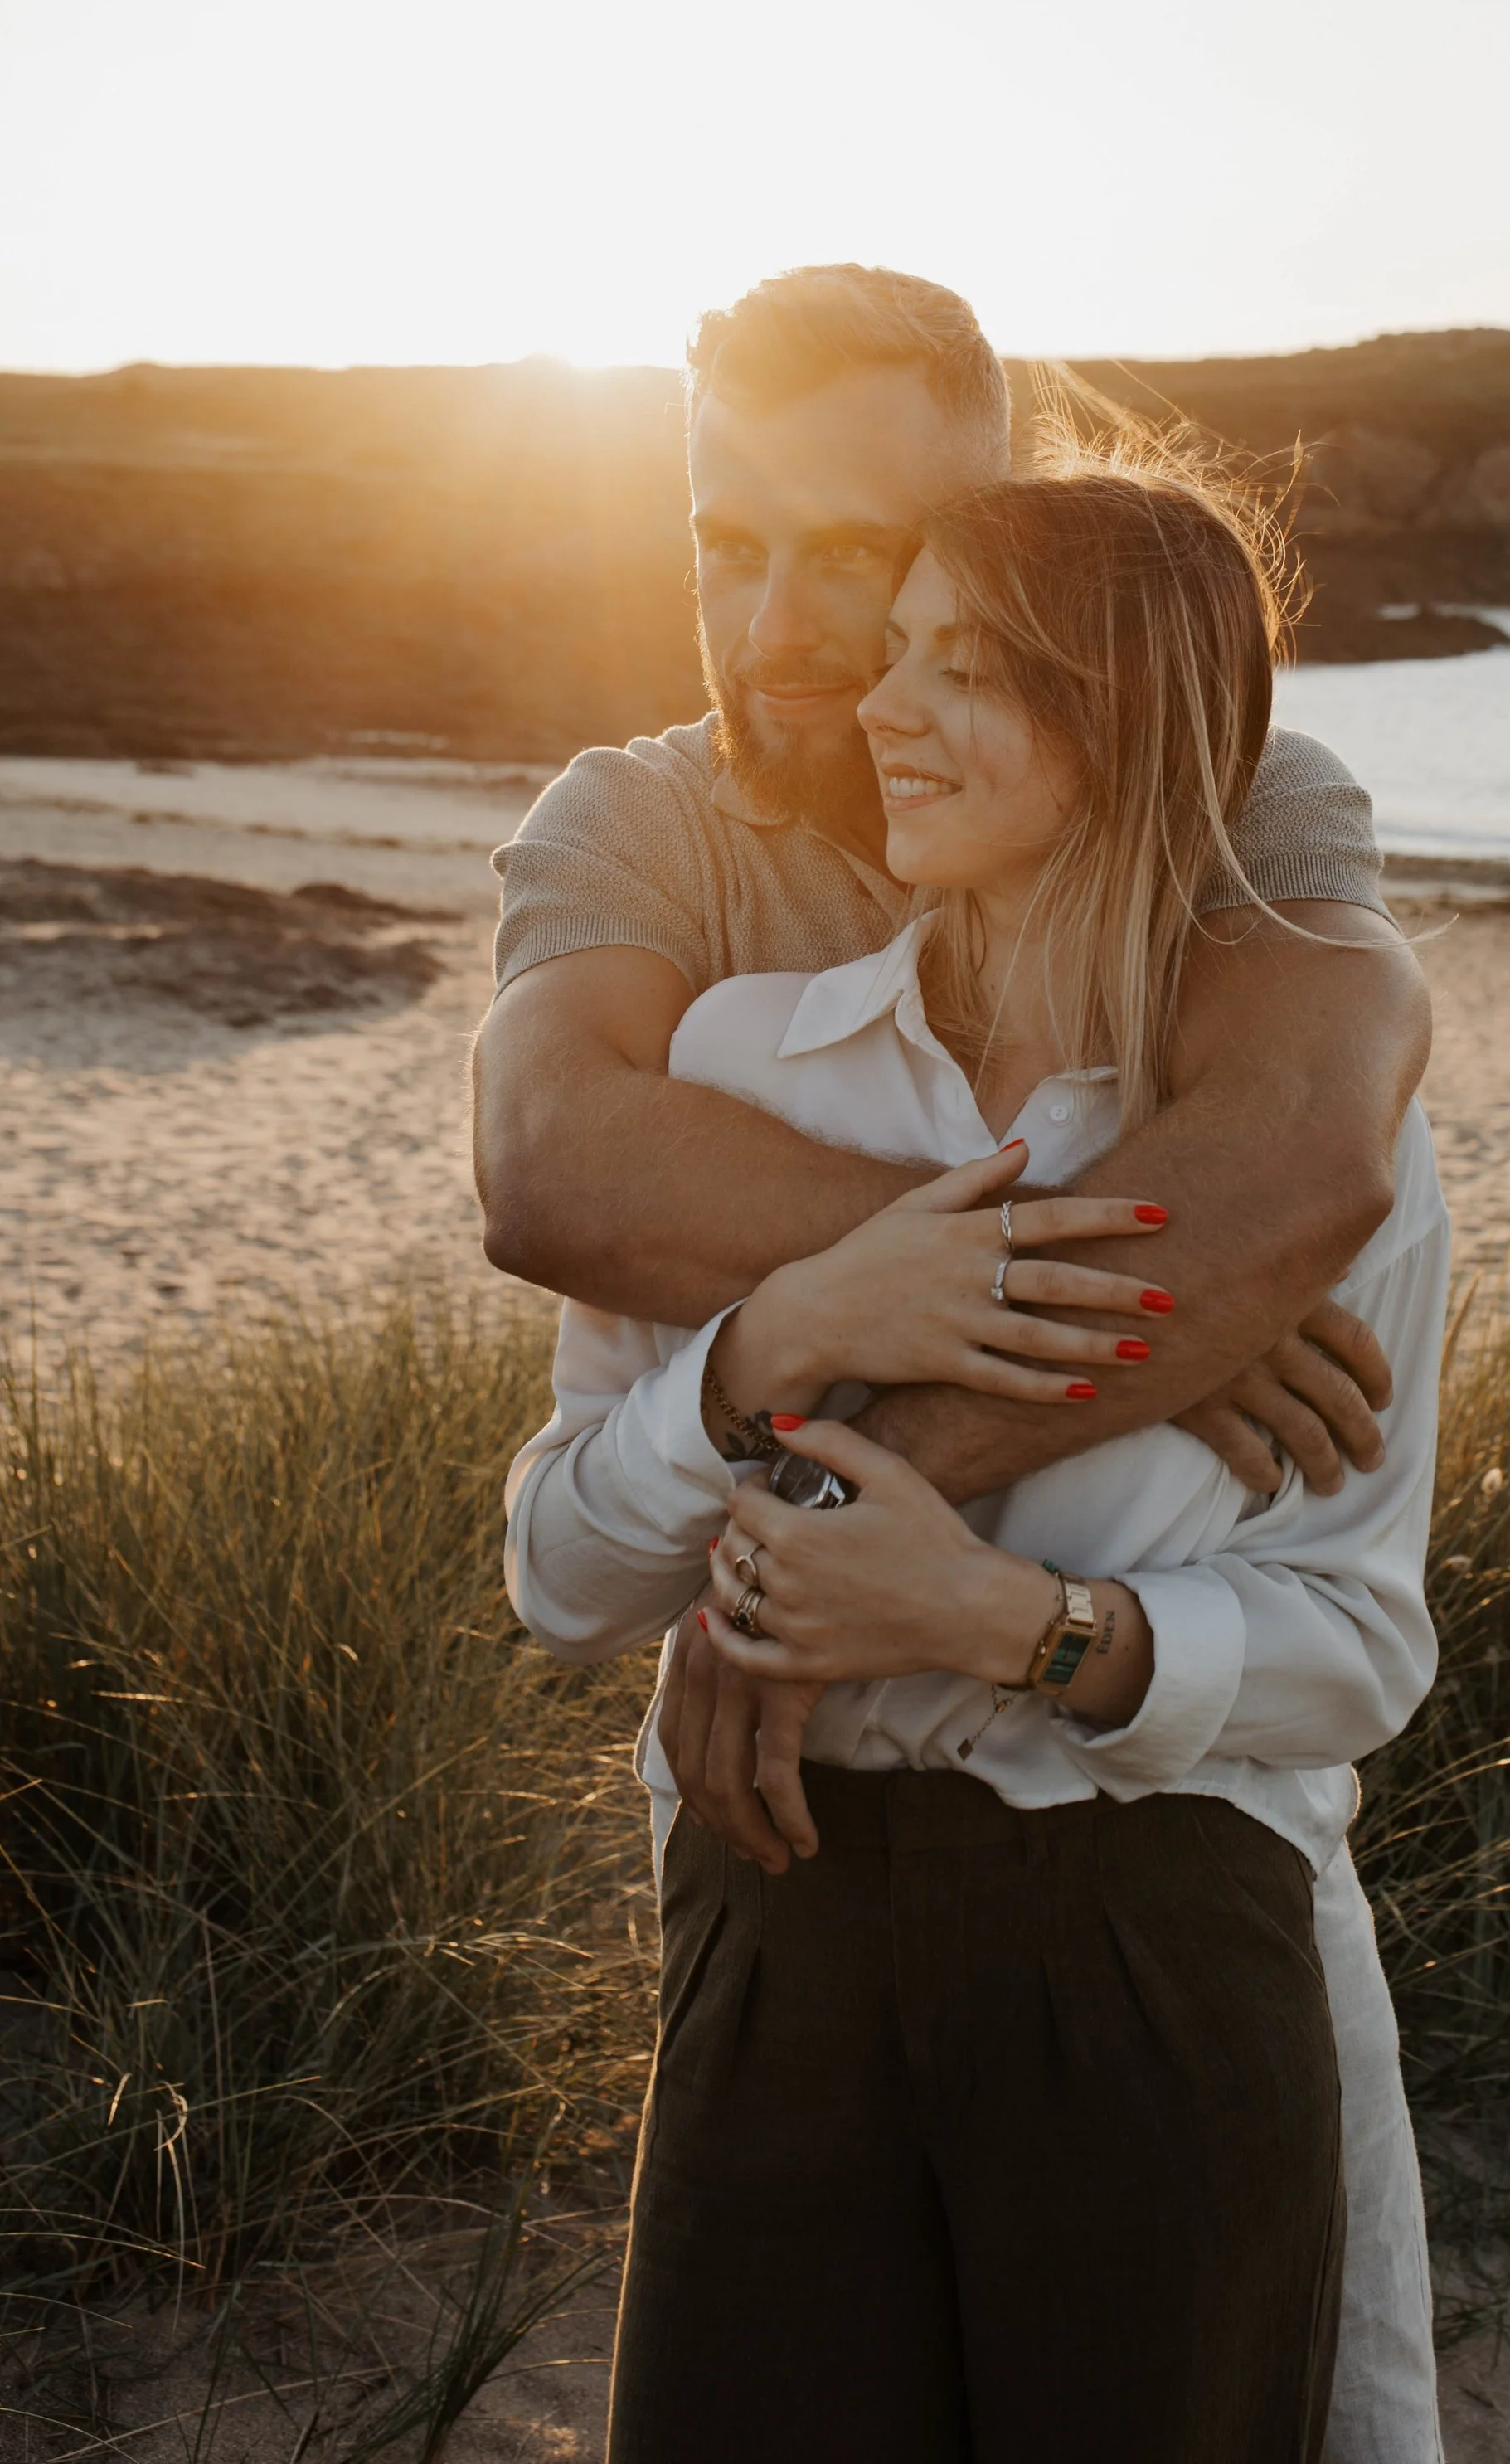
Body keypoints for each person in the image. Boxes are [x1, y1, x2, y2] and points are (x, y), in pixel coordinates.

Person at [474, 265, 1444, 2456]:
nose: (786, 623)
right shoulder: (648, 841)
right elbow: (551, 1165)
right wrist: (1121, 1292)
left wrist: (840, 1522)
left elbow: (1302, 1158)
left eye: (864, 553)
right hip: (779, 1864)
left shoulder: (1237, 785)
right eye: (730, 542)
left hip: (1169, 1862)